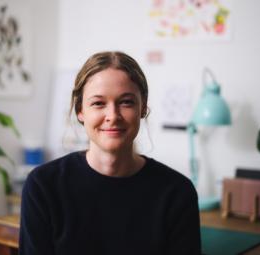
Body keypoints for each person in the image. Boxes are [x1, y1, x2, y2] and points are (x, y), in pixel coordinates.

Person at [19, 51, 201, 255]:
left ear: (143, 108)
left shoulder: (177, 193)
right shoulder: (43, 186)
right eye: (98, 103)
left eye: (126, 102)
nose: (112, 116)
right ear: (80, 110)